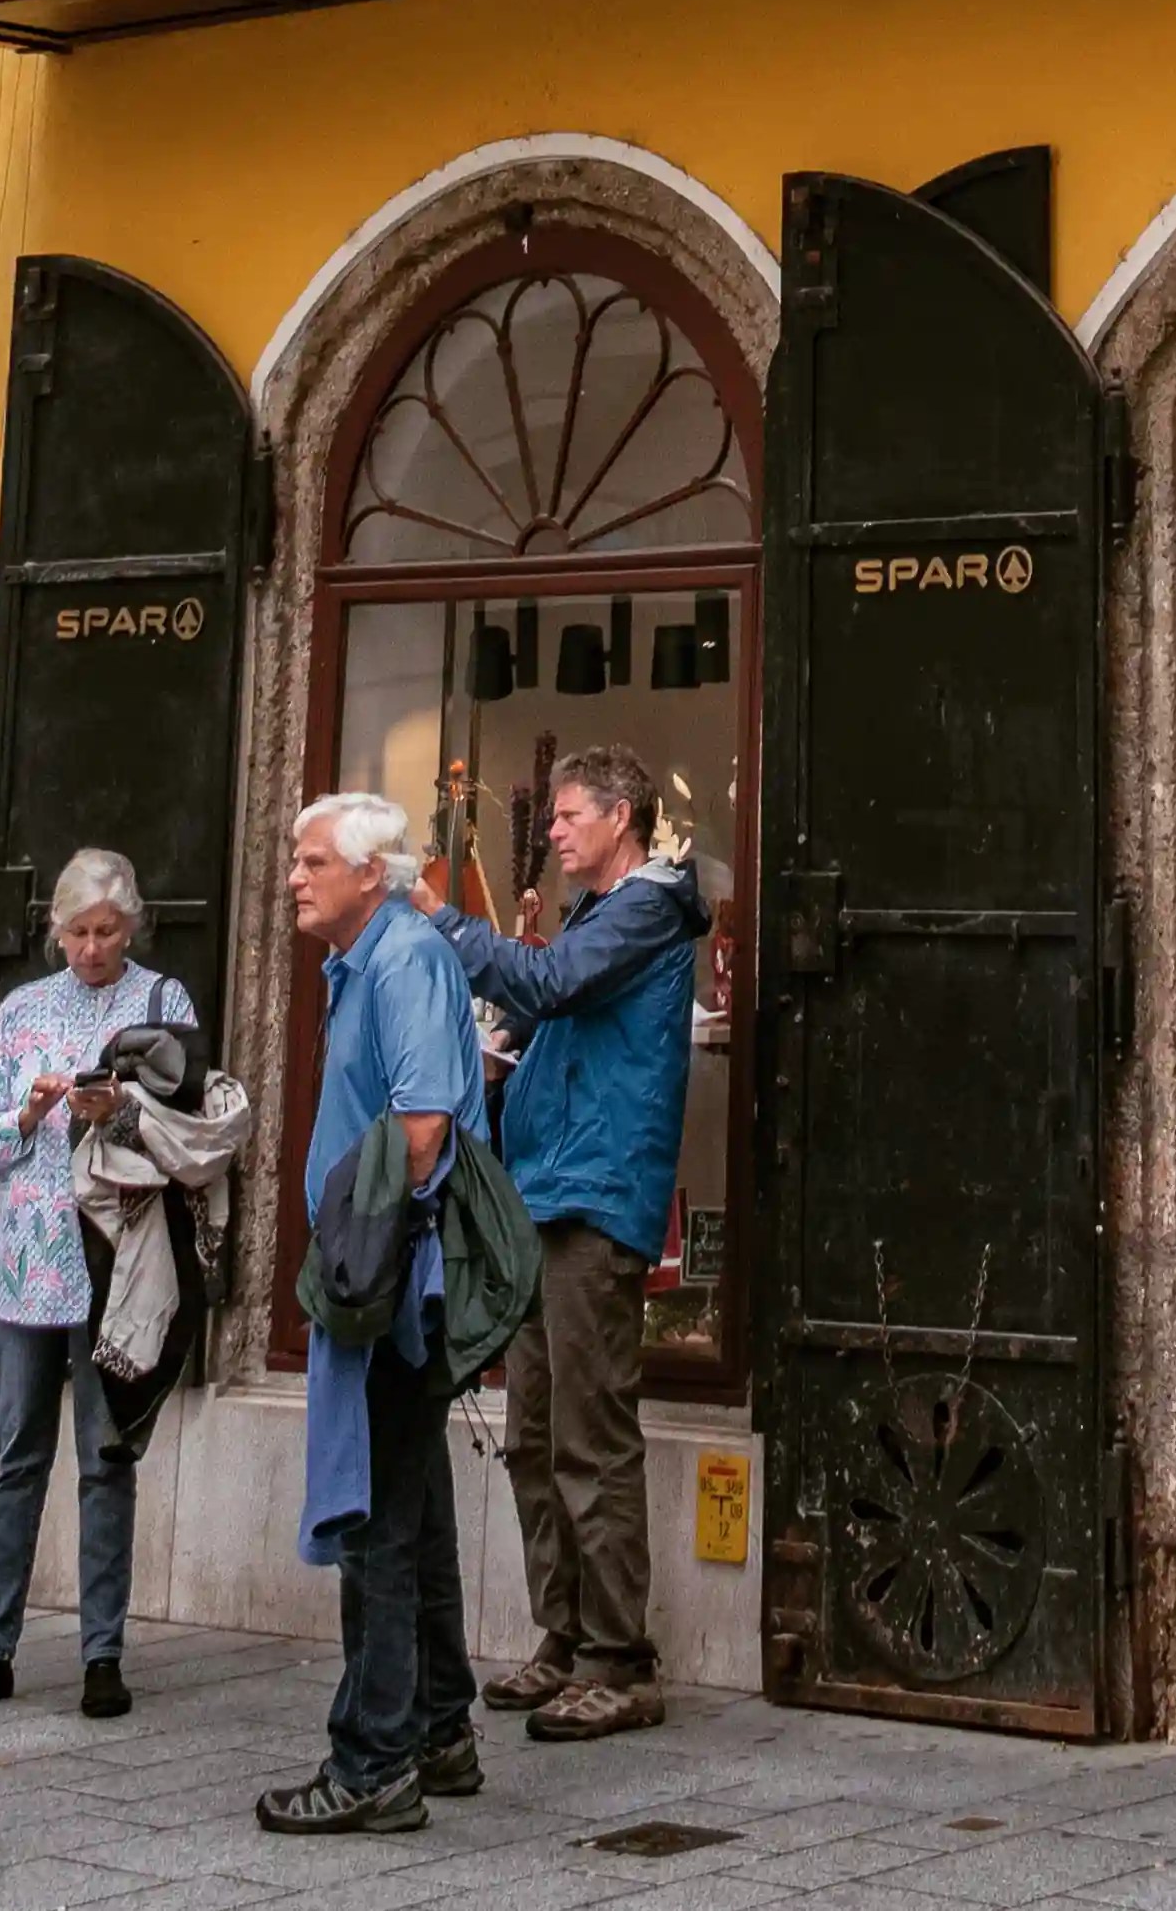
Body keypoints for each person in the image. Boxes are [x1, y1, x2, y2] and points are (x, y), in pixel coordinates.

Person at [430, 745, 708, 1741]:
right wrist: (503, 1057)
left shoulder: (646, 907)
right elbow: (550, 1007)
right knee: (536, 1435)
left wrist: (440, 920)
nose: (551, 831)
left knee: (589, 1434)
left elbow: (552, 983)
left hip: (594, 1197)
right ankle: (563, 1635)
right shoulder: (598, 912)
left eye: (567, 814)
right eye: (549, 816)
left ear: (620, 815)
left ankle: (619, 1659)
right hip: (543, 1194)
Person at [0, 845, 195, 1723]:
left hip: (115, 1261)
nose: (91, 948)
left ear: (131, 926)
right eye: (77, 932)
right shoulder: (22, 1009)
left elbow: (193, 1129)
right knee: (17, 1460)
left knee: (106, 1460)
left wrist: (122, 1111)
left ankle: (101, 1654)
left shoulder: (163, 1003)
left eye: (106, 931)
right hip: (24, 1260)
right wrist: (32, 1111)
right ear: (56, 930)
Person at [266, 791, 493, 1839]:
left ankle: (373, 1761)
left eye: (312, 860)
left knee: (378, 1522)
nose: (295, 876)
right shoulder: (367, 959)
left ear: (371, 872)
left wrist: (351, 1255)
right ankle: (439, 1730)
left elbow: (422, 1122)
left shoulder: (402, 958)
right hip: (391, 1275)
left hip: (391, 1282)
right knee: (416, 1505)